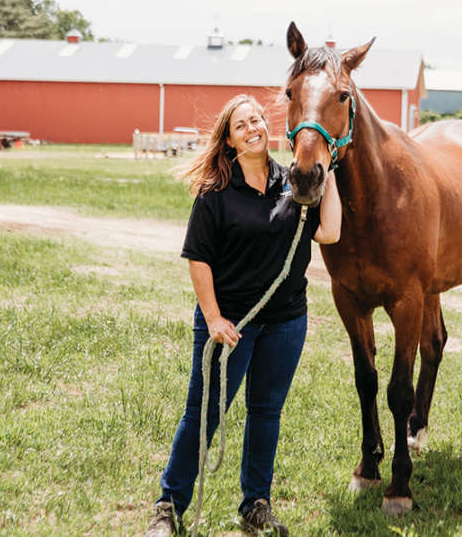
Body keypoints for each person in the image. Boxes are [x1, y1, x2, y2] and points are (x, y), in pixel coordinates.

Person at [145, 94, 341, 537]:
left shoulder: (293, 183)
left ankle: (255, 505)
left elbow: (330, 232)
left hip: (286, 321)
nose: (253, 128)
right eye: (241, 125)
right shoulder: (216, 192)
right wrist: (213, 318)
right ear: (230, 141)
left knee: (265, 412)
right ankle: (168, 507)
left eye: (257, 120)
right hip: (230, 324)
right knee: (203, 413)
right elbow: (199, 259)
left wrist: (329, 174)